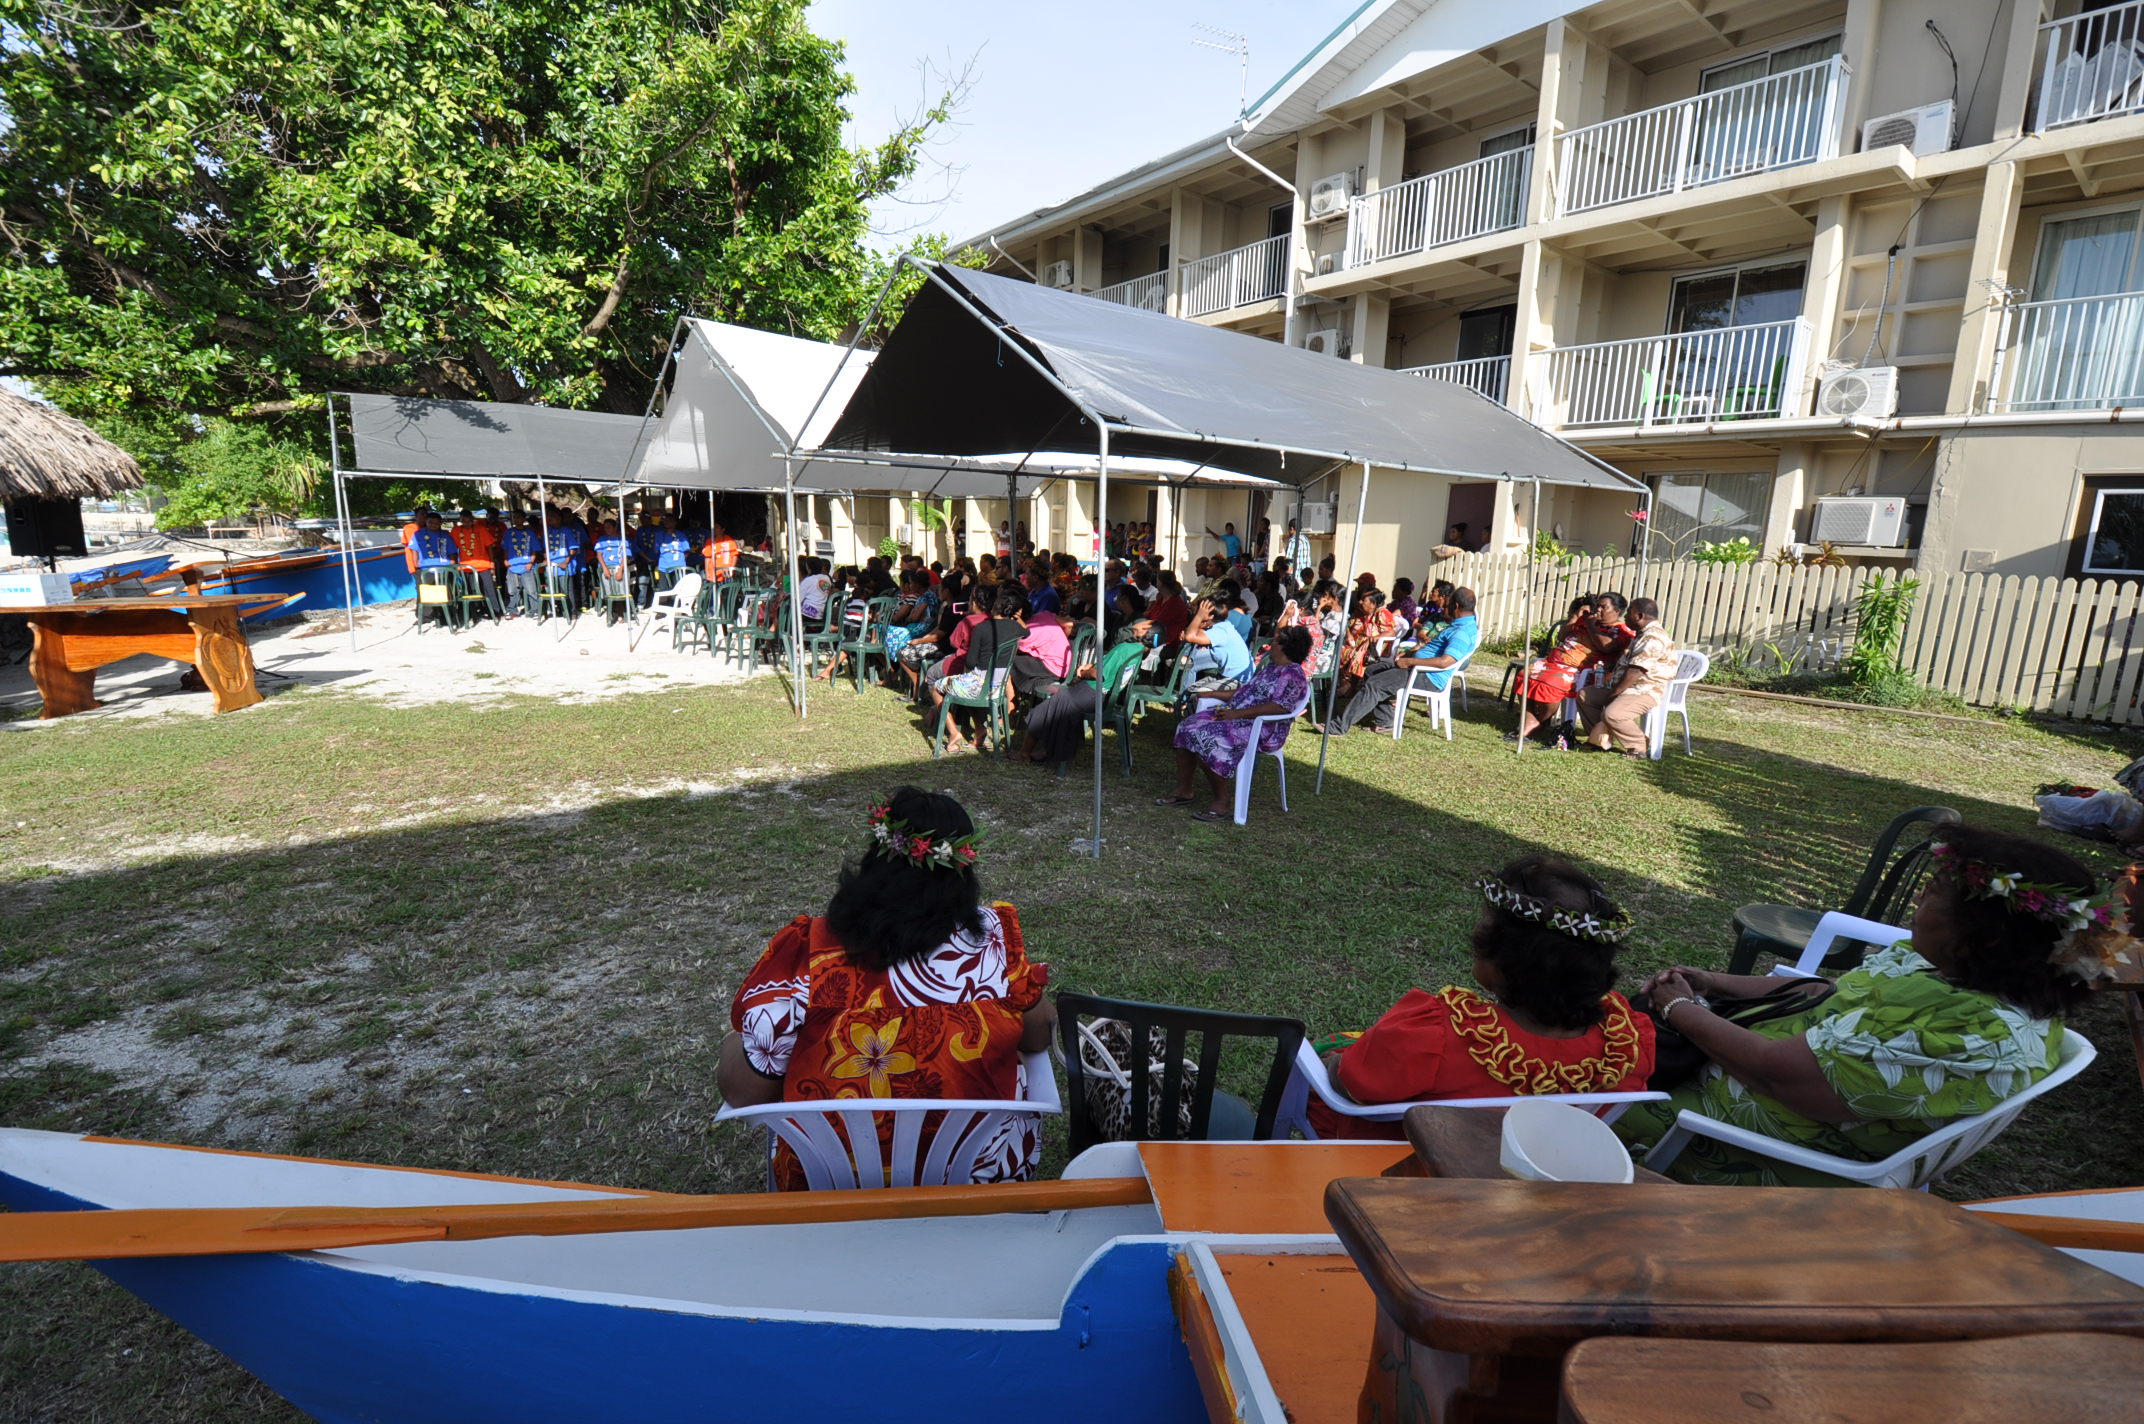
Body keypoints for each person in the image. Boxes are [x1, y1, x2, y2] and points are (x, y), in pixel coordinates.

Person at [1615, 824, 2113, 1186]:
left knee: (1569, 1078)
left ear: (1985, 935)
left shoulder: (1972, 1034)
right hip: (1721, 1085)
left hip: (1742, 1146)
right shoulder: (1941, 972)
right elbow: (1824, 995)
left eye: (1934, 891)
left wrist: (1681, 1009)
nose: (1919, 899)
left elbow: (1777, 1076)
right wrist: (1711, 983)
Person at [719, 789, 1053, 1191]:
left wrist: (734, 1043)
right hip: (976, 1179)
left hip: (831, 1182)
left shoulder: (813, 950)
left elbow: (745, 1093)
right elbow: (1039, 1034)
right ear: (963, 872)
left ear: (875, 859)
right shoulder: (993, 943)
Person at [1308, 855, 1656, 1139]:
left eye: (1487, 922)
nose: (1479, 929)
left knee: (1323, 1052)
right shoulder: (1627, 1042)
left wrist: (1329, 1064)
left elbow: (1351, 1083)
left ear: (1506, 958)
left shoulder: (1437, 1036)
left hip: (1406, 1171)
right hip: (1520, 1176)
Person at [1158, 625, 1311, 822]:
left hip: (1263, 728)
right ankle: (1184, 789)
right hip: (1237, 717)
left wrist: (1237, 714)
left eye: (1274, 641)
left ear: (1283, 646)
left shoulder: (1293, 674)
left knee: (1205, 738)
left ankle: (1223, 800)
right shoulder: (1271, 669)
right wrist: (1212, 693)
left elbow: (1279, 707)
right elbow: (1244, 692)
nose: (1270, 645)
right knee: (1186, 728)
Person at [1010, 591, 1150, 766]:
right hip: (1105, 695)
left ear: (1147, 633)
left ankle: (1024, 753)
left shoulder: (1124, 648)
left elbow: (1099, 674)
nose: (1142, 621)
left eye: (1146, 624)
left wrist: (1084, 673)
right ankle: (1047, 749)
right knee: (1056, 704)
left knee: (1044, 709)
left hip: (1092, 693)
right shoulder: (1138, 651)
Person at [1325, 587, 1482, 735]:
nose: (1445, 608)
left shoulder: (1462, 632)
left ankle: (1338, 727)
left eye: (1448, 605)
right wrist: (1410, 654)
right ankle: (1386, 720)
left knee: (1376, 684)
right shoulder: (1460, 625)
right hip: (1417, 667)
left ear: (1456, 606)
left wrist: (1410, 662)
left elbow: (1445, 661)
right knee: (1372, 671)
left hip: (1427, 676)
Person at [1512, 593, 1628, 744]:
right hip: (1553, 664)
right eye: (1597, 605)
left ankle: (1541, 722)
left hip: (1583, 671)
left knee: (1551, 683)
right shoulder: (1586, 620)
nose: (1598, 609)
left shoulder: (1620, 630)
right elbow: (1562, 636)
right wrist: (1575, 617)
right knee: (1524, 674)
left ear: (1617, 611)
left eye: (1603, 607)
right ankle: (1531, 719)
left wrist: (1591, 626)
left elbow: (1606, 647)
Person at [927, 587, 1028, 753]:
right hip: (997, 689)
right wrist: (1018, 618)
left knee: (935, 687)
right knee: (964, 688)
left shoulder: (982, 628)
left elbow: (971, 660)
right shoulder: (1016, 629)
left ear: (993, 608)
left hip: (977, 685)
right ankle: (980, 730)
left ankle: (954, 733)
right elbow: (1027, 631)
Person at [1576, 596, 1676, 756]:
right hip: (1625, 686)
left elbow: (1636, 671)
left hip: (1643, 690)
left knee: (1612, 714)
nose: (1626, 615)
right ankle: (1599, 739)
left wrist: (1614, 694)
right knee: (1585, 696)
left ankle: (1639, 744)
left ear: (1640, 616)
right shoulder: (1642, 633)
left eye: (1629, 612)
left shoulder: (1652, 637)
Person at [1334, 587, 1398, 701]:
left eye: (1364, 600)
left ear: (1373, 604)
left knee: (1359, 655)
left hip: (1375, 649)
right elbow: (1350, 625)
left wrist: (1372, 639)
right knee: (1341, 650)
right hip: (1358, 644)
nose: (1360, 602)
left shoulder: (1382, 613)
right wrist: (1348, 634)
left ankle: (1352, 686)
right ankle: (1345, 684)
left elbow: (1391, 632)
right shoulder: (1362, 613)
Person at [1179, 593, 1252, 683]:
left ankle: (1184, 696)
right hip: (1229, 675)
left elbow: (1189, 636)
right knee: (1192, 657)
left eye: (1197, 613)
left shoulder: (1221, 631)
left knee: (1190, 665)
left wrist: (1199, 616)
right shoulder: (1221, 625)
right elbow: (1193, 634)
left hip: (1237, 681)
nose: (1195, 616)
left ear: (1210, 617)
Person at [880, 568, 941, 665]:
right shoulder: (922, 596)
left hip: (923, 628)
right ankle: (893, 665)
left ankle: (894, 666)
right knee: (885, 630)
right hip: (915, 626)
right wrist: (912, 615)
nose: (910, 585)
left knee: (888, 632)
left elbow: (915, 617)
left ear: (918, 584)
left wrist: (912, 616)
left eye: (912, 583)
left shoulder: (927, 596)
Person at [451, 509, 502, 620]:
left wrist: (492, 563)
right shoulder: (456, 530)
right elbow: (453, 549)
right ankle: (473, 613)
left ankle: (495, 612)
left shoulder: (481, 529)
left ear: (472, 520)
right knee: (470, 590)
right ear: (460, 520)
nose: (467, 524)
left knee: (489, 589)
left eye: (469, 521)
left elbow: (489, 546)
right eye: (464, 521)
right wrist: (454, 564)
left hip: (483, 565)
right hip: (466, 567)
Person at [499, 512, 544, 619]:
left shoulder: (530, 533)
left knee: (531, 590)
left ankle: (535, 610)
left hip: (526, 566)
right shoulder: (508, 532)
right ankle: (512, 610)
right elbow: (505, 548)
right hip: (512, 566)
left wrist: (531, 562)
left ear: (524, 518)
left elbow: (535, 549)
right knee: (512, 590)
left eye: (519, 517)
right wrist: (505, 560)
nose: (517, 519)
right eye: (515, 517)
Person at [705, 520, 741, 584]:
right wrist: (707, 572)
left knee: (727, 593)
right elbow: (707, 557)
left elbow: (734, 556)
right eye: (713, 527)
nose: (714, 529)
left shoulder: (729, 540)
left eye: (716, 527)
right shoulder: (709, 541)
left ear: (722, 530)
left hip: (726, 573)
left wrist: (731, 569)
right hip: (712, 573)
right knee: (713, 593)